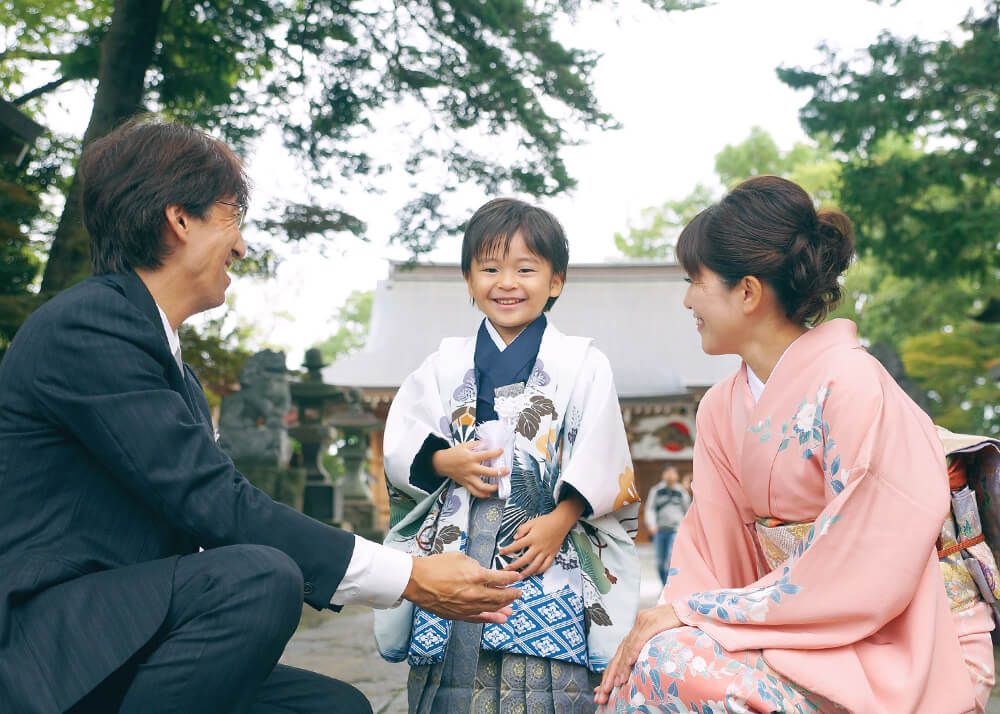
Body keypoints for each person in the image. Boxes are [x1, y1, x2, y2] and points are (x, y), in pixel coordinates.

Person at [0, 117, 522, 714]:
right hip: (52, 644)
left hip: (128, 633)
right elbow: (215, 504)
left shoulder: (168, 363)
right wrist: (409, 577)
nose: (242, 245)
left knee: (334, 709)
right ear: (179, 219)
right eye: (231, 216)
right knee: (258, 579)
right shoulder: (90, 327)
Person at [593, 176, 995, 713]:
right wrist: (672, 616)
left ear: (749, 291)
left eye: (696, 281)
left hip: (900, 634)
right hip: (795, 627)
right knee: (647, 665)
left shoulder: (851, 381)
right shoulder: (720, 407)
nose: (687, 299)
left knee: (675, 664)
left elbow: (868, 559)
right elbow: (710, 553)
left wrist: (702, 616)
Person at [374, 198, 641, 713]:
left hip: (544, 548)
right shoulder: (443, 363)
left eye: (526, 269)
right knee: (447, 683)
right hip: (454, 546)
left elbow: (605, 457)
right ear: (470, 280)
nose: (507, 283)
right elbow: (405, 437)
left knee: (542, 684)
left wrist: (561, 519)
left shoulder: (582, 363)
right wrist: (443, 461)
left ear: (555, 281)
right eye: (490, 268)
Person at [644, 466, 691, 584]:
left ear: (677, 476)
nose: (670, 475)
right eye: (667, 472)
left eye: (672, 473)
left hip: (676, 530)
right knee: (660, 562)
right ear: (663, 475)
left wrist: (686, 529)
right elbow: (650, 509)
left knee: (670, 560)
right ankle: (664, 585)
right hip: (659, 530)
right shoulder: (656, 491)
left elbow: (687, 511)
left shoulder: (682, 492)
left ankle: (669, 588)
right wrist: (651, 524)